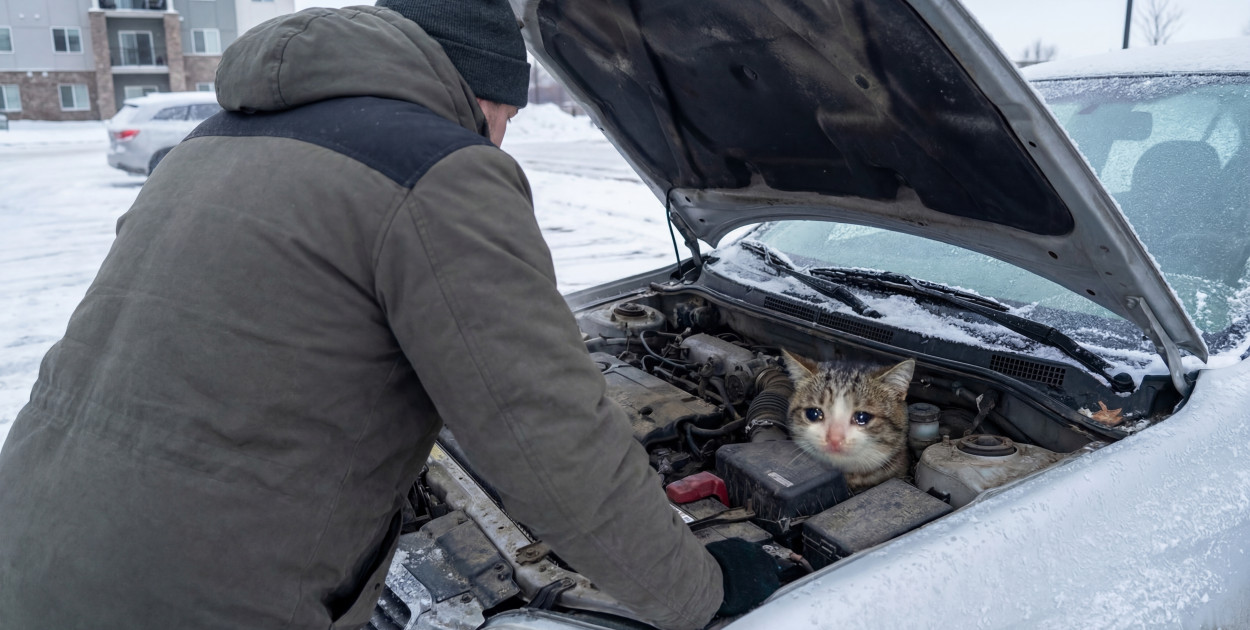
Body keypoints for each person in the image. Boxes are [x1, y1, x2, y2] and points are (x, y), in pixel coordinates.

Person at [0, 1, 778, 628]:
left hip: (36, 542)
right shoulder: (437, 168)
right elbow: (546, 435)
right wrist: (695, 592)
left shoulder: (212, 144)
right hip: (205, 596)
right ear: (477, 94)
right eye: (505, 118)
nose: (501, 139)